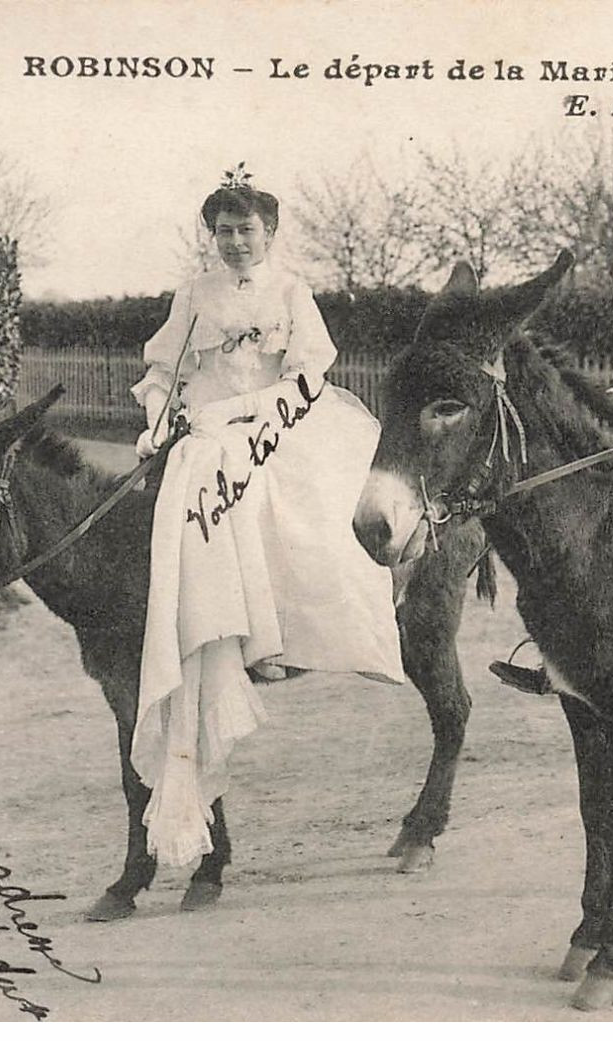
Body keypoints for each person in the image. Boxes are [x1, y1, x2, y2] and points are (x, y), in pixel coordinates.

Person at [128, 169, 405, 864]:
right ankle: (179, 625)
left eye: (246, 230)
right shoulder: (192, 294)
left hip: (275, 422)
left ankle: (270, 640)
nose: (235, 242)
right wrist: (153, 417)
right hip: (200, 426)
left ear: (270, 234)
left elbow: (308, 375)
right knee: (166, 505)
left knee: (280, 504)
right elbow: (162, 368)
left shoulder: (290, 291)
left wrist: (246, 413)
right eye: (223, 231)